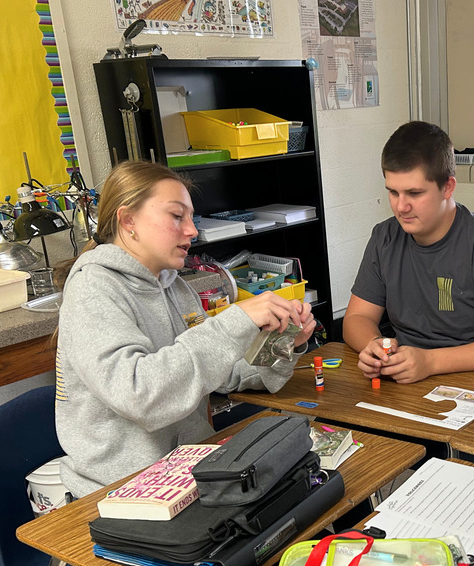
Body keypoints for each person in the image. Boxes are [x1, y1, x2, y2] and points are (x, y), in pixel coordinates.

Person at [54, 160, 315, 499]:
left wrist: (282, 342)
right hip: (121, 492)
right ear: (128, 220)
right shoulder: (93, 290)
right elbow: (141, 396)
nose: (192, 230)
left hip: (188, 473)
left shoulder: (175, 287)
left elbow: (225, 373)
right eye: (177, 216)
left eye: (191, 218)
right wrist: (235, 322)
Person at [343, 121, 474, 384]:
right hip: (411, 376)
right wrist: (374, 346)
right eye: (393, 192)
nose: (401, 207)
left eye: (414, 193)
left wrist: (430, 361)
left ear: (448, 187)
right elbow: (357, 317)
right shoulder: (384, 237)